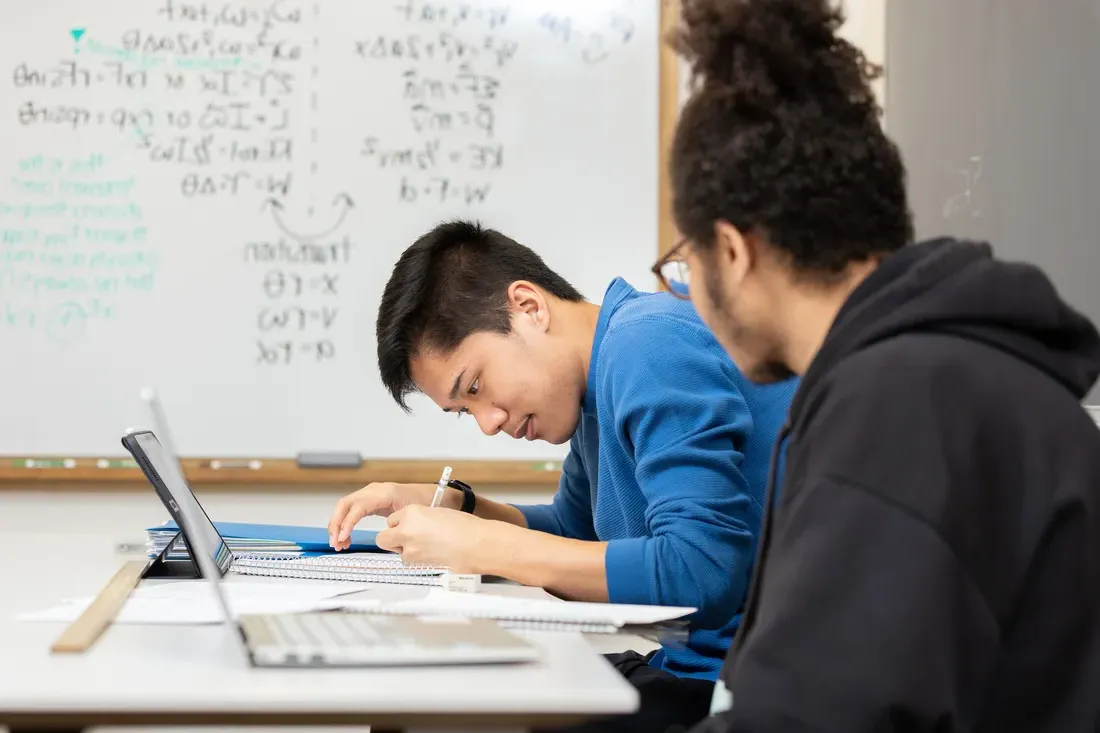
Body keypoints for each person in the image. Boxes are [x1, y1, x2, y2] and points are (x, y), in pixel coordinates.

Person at [650, 0, 1100, 731]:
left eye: (683, 262)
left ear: (732, 251)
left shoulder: (900, 406)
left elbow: (808, 717)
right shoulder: (952, 371)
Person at [327, 220, 797, 729]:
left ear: (528, 307)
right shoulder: (594, 387)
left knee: (436, 707)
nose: (488, 423)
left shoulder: (646, 346)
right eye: (465, 410)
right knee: (425, 693)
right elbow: (573, 534)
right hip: (695, 674)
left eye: (477, 385)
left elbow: (701, 571)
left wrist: (483, 546)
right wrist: (455, 506)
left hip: (751, 692)